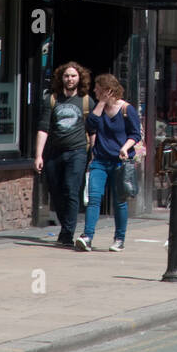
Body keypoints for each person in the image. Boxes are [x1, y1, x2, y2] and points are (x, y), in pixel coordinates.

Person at [74, 75, 141, 252]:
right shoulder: (99, 109)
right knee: (94, 199)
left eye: (97, 88)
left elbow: (135, 134)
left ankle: (119, 238)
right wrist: (101, 104)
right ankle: (87, 236)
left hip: (120, 162)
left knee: (119, 201)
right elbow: (90, 125)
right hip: (100, 161)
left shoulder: (127, 109)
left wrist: (125, 148)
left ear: (107, 90)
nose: (94, 91)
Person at [34, 61, 91, 248]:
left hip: (77, 152)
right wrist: (38, 155)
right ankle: (65, 227)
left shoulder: (86, 101)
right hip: (54, 152)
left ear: (79, 78)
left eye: (73, 76)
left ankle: (67, 233)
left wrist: (94, 154)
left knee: (70, 189)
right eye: (67, 76)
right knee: (56, 192)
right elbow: (43, 128)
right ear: (61, 78)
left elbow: (93, 130)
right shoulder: (52, 99)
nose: (70, 79)